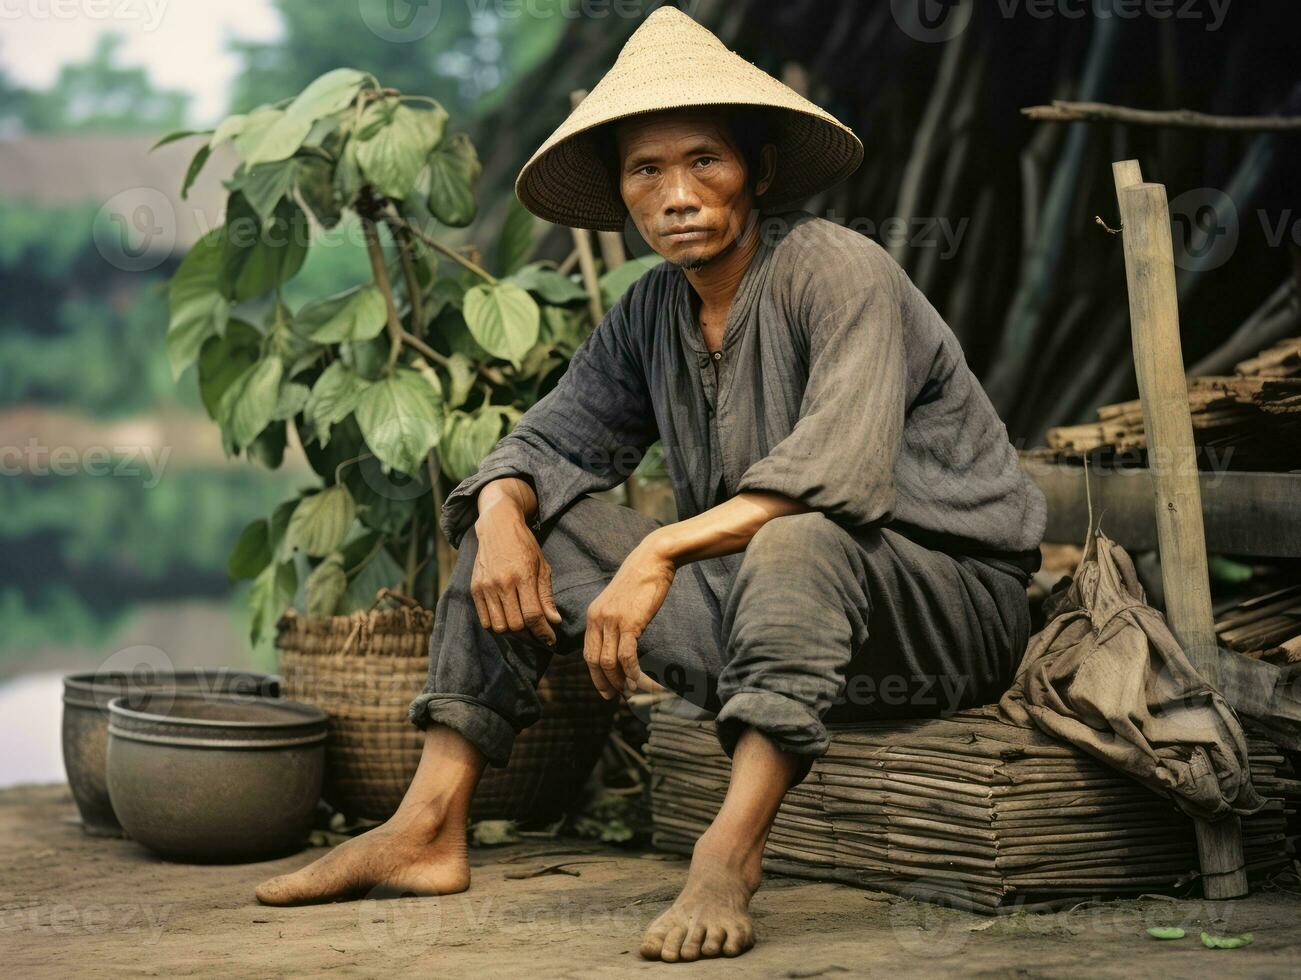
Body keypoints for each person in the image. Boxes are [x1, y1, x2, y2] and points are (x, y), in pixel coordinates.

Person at [255, 7, 1047, 963]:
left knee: (799, 538)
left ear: (755, 169)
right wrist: (503, 510)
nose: (677, 194)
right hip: (769, 626)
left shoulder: (839, 270)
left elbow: (834, 482)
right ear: (622, 193)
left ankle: (727, 857)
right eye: (646, 171)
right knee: (515, 527)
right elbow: (546, 443)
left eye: (704, 162)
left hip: (941, 615)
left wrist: (659, 548)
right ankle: (426, 825)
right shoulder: (649, 313)